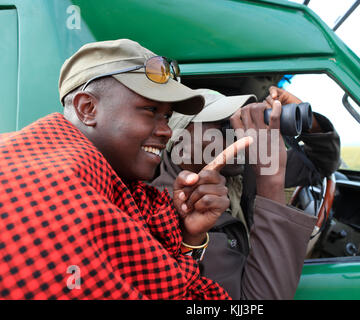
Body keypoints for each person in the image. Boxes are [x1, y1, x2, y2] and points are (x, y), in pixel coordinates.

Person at [0, 39, 235, 299]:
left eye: (167, 116)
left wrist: (190, 235)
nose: (166, 130)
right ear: (87, 108)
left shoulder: (119, 191)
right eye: (150, 110)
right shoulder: (49, 191)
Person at [150, 87, 341, 299]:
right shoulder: (169, 213)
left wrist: (309, 121)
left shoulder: (239, 175)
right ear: (178, 142)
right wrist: (271, 185)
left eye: (239, 123)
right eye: (225, 128)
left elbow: (322, 163)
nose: (239, 135)